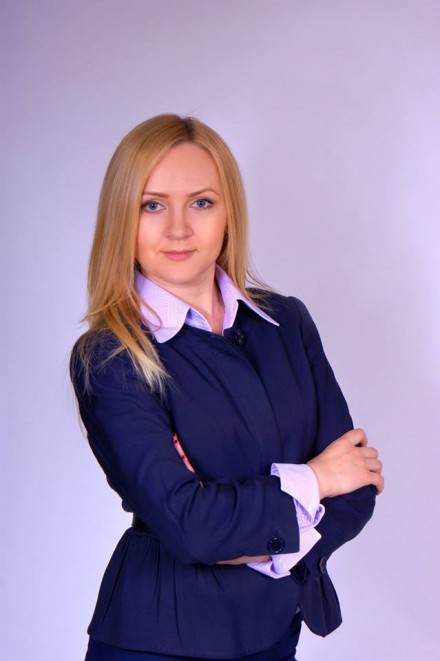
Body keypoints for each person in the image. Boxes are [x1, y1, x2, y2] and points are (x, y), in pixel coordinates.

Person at [70, 113, 384, 661]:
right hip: (159, 642)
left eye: (201, 202)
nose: (177, 229)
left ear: (229, 213)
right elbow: (191, 528)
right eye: (152, 205)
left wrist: (237, 527)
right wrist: (316, 478)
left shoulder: (285, 322)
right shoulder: (110, 357)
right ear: (123, 217)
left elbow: (357, 487)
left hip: (274, 631)